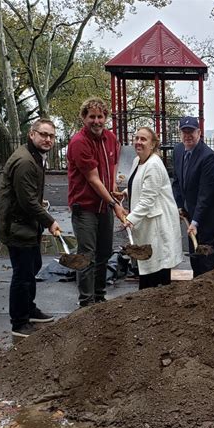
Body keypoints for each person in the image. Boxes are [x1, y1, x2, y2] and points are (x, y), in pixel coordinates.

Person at [0, 119, 61, 337]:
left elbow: (28, 196)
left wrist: (39, 206)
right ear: (31, 134)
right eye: (43, 134)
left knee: (33, 265)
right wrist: (50, 221)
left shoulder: (35, 156)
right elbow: (27, 203)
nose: (48, 139)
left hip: (27, 224)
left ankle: (29, 308)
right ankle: (19, 322)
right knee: (22, 274)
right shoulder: (25, 161)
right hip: (17, 226)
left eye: (51, 136)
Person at [67, 97, 126, 307]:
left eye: (100, 116)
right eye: (92, 116)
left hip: (104, 206)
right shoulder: (79, 143)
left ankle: (99, 298)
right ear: (84, 118)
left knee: (104, 253)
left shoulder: (110, 138)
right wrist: (114, 204)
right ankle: (86, 303)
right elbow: (93, 179)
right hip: (85, 208)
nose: (97, 121)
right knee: (86, 256)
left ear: (106, 118)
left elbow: (113, 165)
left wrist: (114, 190)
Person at [124, 127, 182, 289]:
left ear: (153, 144)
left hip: (157, 225)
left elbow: (148, 200)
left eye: (143, 139)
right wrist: (125, 193)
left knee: (156, 269)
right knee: (147, 267)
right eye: (136, 138)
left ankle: (158, 310)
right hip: (146, 225)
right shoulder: (138, 161)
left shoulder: (154, 165)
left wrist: (129, 219)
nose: (138, 142)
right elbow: (139, 184)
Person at [172, 116, 214, 277]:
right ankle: (197, 293)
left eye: (191, 132)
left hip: (211, 217)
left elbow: (206, 194)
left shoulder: (207, 157)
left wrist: (195, 221)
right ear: (180, 133)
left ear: (199, 132)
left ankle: (208, 295)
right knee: (195, 259)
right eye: (184, 132)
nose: (187, 136)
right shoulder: (178, 151)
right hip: (192, 213)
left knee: (206, 261)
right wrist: (180, 206)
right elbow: (177, 182)